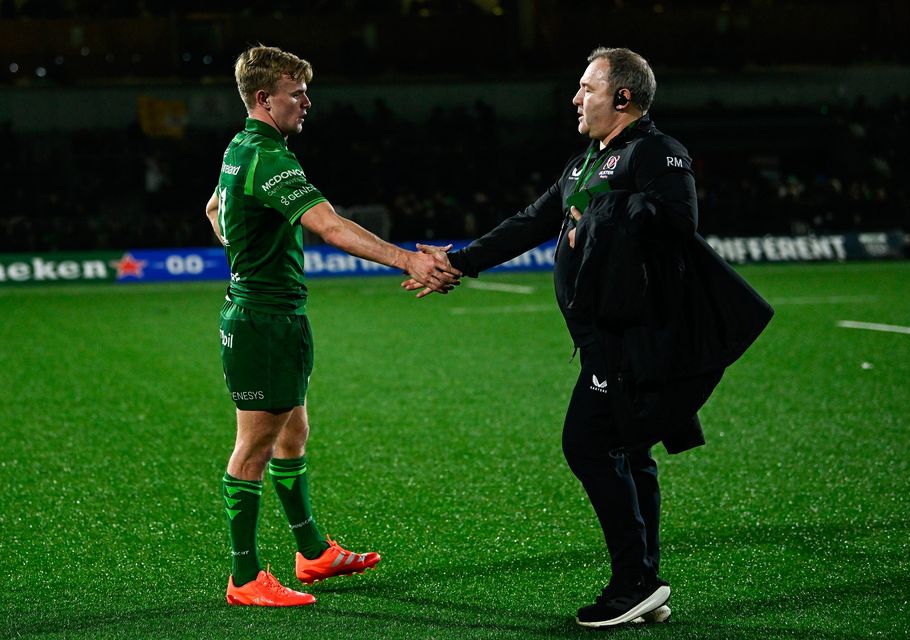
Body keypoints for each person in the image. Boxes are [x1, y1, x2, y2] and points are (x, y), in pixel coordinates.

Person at [403, 47, 773, 627]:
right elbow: (532, 220)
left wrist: (600, 214)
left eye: (586, 88)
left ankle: (633, 583)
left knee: (588, 444)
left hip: (635, 338)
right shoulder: (583, 164)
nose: (575, 98)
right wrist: (460, 261)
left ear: (622, 98)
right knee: (628, 451)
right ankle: (643, 582)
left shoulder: (658, 152)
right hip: (603, 338)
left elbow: (677, 223)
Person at [205, 44, 460, 607]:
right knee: (253, 446)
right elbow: (333, 228)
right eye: (296, 94)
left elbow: (214, 209)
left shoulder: (243, 147)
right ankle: (243, 579)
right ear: (263, 98)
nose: (307, 102)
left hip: (281, 315)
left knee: (293, 432)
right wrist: (410, 259)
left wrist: (240, 245)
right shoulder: (269, 157)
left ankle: (312, 551)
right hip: (261, 321)